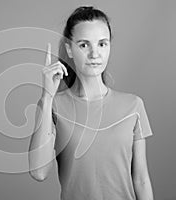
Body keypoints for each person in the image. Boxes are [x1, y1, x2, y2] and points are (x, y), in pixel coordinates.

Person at [28, 6, 154, 200]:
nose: (95, 54)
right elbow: (39, 172)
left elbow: (141, 179)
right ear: (69, 49)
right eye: (84, 45)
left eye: (102, 44)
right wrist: (46, 97)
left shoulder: (133, 106)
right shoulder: (53, 106)